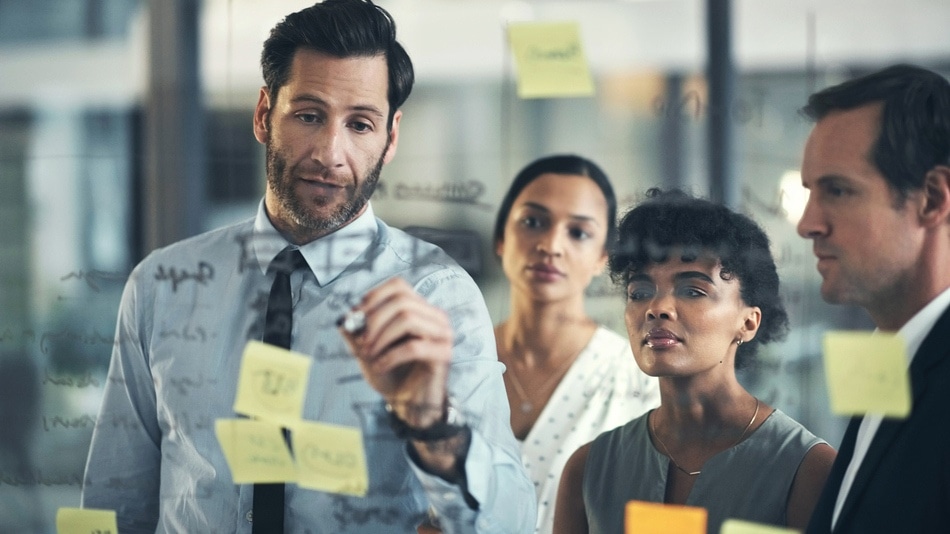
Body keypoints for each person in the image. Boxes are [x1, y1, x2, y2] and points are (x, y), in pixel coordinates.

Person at [80, 1, 535, 532]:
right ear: (262, 114)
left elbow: (512, 522)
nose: (330, 152)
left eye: (360, 124)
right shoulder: (161, 286)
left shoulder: (438, 296)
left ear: (390, 139)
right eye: (309, 115)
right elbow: (114, 504)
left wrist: (433, 425)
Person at [554, 189, 837, 534]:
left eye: (693, 291)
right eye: (639, 292)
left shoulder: (807, 469)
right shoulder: (589, 470)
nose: (657, 307)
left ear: (748, 322)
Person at [797, 64, 950, 533]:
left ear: (931, 198)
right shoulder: (897, 359)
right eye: (810, 193)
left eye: (838, 191)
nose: (807, 224)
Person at [491, 155, 659, 534]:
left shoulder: (637, 379)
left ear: (603, 257)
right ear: (502, 237)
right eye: (533, 222)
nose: (551, 246)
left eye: (579, 233)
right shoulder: (451, 361)